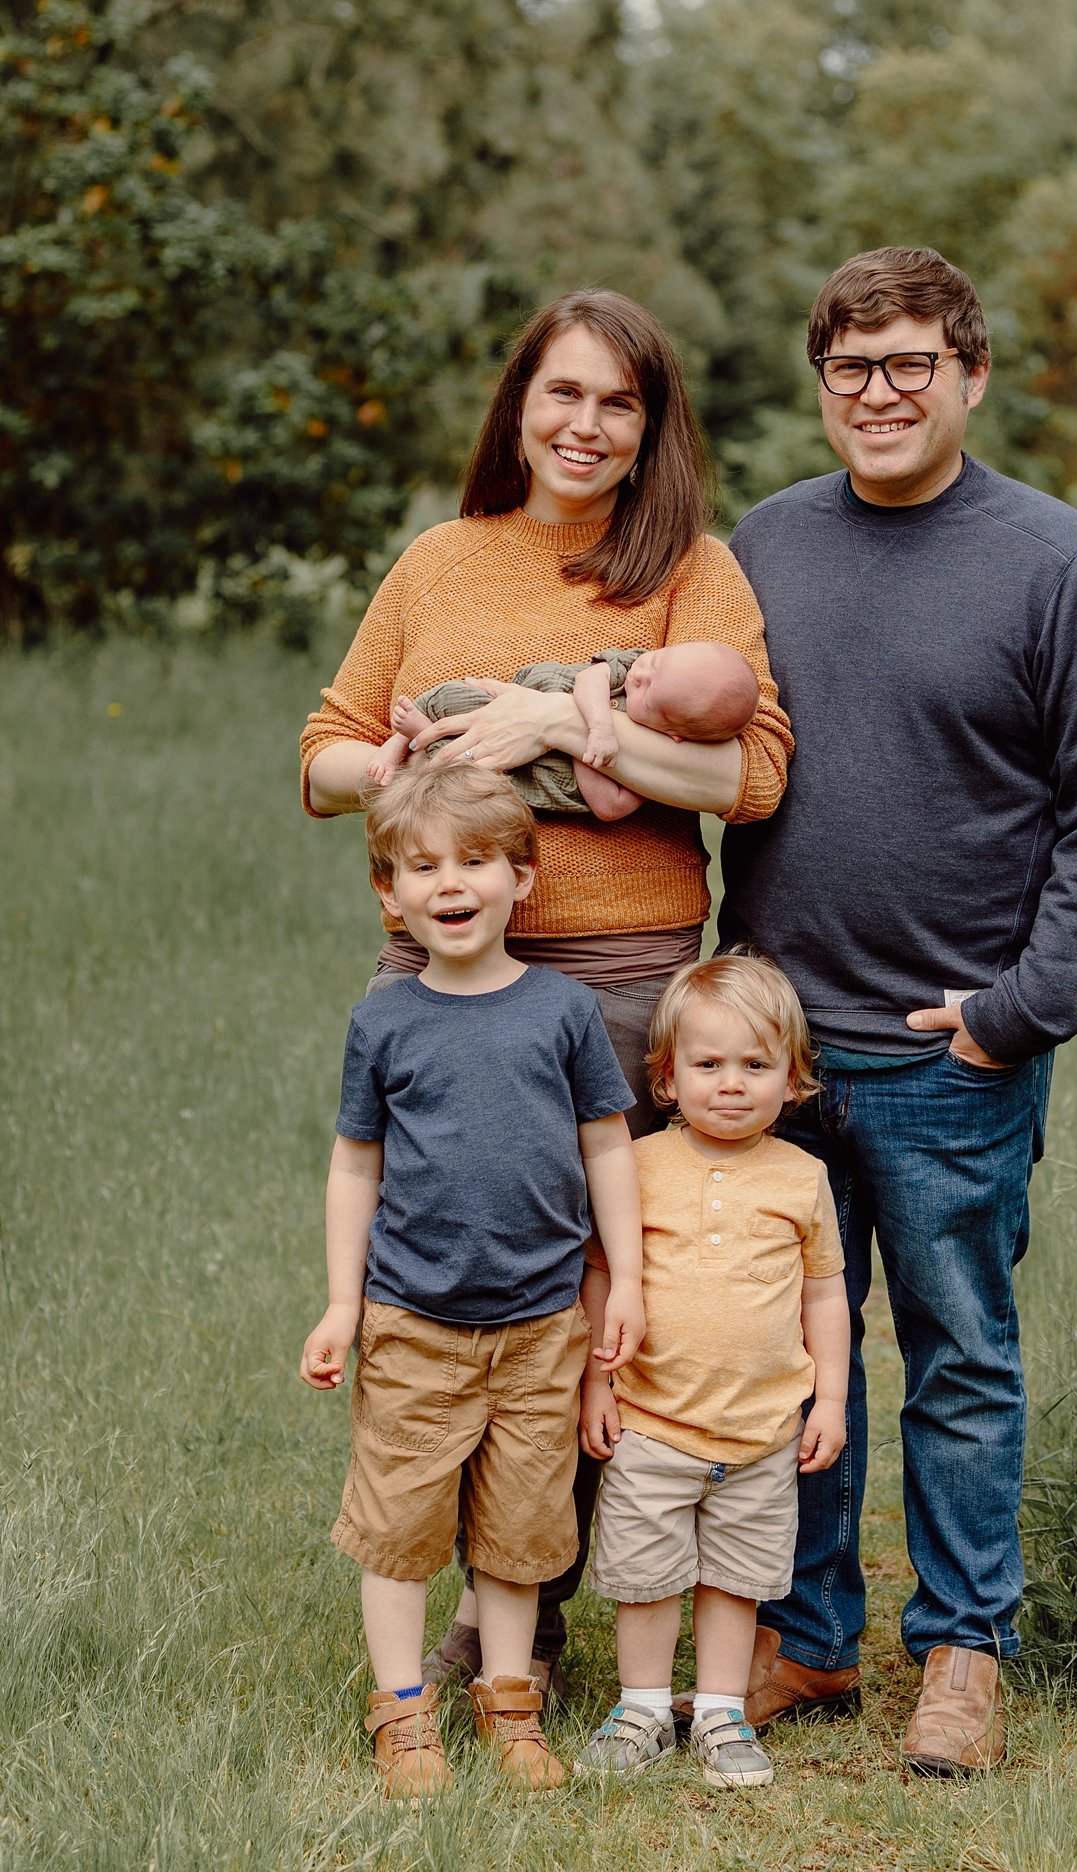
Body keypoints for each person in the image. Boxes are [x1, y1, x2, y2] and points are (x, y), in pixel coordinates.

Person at [300, 288, 793, 1693]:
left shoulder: (689, 571)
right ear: (520, 403)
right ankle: (476, 1597)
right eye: (561, 393)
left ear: (652, 430)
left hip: (623, 980)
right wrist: (386, 773)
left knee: (588, 1298)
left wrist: (570, 727)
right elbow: (324, 750)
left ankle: (554, 1588)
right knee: (447, 1280)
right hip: (444, 977)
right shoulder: (441, 561)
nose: (585, 425)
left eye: (617, 403)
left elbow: (752, 773)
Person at [718, 246, 1077, 1773]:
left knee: (957, 1353)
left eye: (913, 363)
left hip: (944, 1052)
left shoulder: (1059, 568)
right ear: (822, 384)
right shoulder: (762, 547)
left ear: (971, 374)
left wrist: (1018, 1012)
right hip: (769, 1051)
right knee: (788, 1348)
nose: (881, 393)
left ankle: (964, 1651)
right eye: (851, 366)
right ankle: (808, 1637)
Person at [298, 760, 644, 1795]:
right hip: (415, 1322)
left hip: (543, 1325)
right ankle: (403, 1713)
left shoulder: (565, 1010)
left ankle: (510, 1704)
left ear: (522, 878)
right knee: (401, 1525)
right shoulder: (388, 1021)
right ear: (388, 892)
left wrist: (622, 1278)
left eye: (477, 860)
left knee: (522, 1528)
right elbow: (356, 1162)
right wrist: (341, 1302)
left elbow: (609, 1148)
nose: (451, 883)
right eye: (423, 865)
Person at [573, 954, 850, 1790]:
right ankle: (644, 1707)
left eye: (756, 1066)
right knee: (647, 1574)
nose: (731, 1085)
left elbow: (826, 1296)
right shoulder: (639, 1166)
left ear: (793, 1079)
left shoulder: (803, 1179)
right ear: (665, 1076)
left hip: (760, 1431)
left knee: (735, 1578)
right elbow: (599, 1274)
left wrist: (828, 1399)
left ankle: (723, 1711)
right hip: (653, 1421)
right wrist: (595, 1383)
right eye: (707, 1064)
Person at [364, 640, 760, 823]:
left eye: (648, 690)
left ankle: (421, 739)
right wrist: (598, 726)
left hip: (539, 777)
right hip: (524, 699)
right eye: (656, 660)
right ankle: (402, 738)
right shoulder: (635, 668)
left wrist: (569, 735)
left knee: (476, 786)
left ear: (674, 733)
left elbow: (610, 807)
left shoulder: (663, 763)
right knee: (461, 699)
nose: (640, 673)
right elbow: (592, 676)